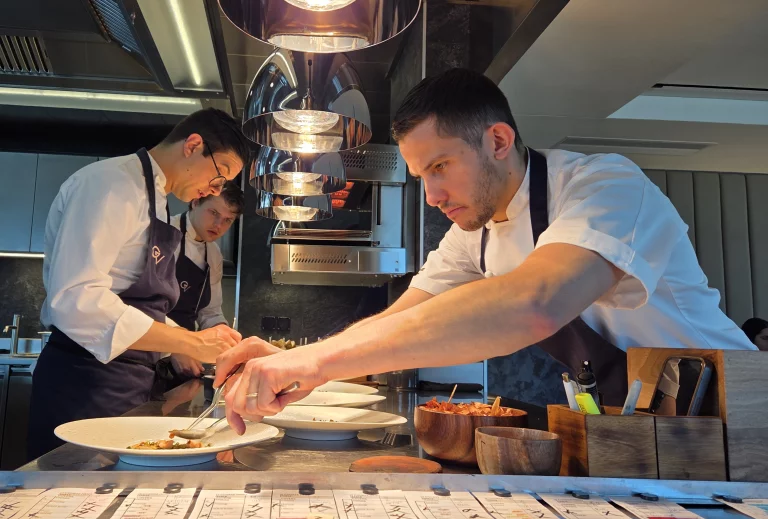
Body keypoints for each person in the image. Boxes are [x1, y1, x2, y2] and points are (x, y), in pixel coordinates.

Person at [216, 68, 756, 433]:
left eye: (440, 167)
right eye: (422, 176)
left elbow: (536, 302)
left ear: (497, 141)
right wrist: (294, 363)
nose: (432, 196)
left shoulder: (606, 185)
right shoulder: (473, 234)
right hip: (642, 427)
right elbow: (400, 321)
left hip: (737, 411)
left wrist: (312, 361)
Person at [29, 108, 250, 458]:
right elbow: (77, 301)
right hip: (85, 381)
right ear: (193, 145)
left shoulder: (157, 201)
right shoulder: (111, 185)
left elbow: (139, 304)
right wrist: (190, 341)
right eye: (219, 175)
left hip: (130, 381)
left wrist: (195, 341)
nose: (214, 188)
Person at [159, 181, 245, 383]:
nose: (218, 225)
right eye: (213, 213)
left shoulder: (213, 254)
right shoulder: (164, 235)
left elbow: (210, 312)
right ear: (195, 202)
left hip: (184, 360)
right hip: (146, 352)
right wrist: (174, 346)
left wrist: (228, 340)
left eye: (228, 220)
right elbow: (140, 305)